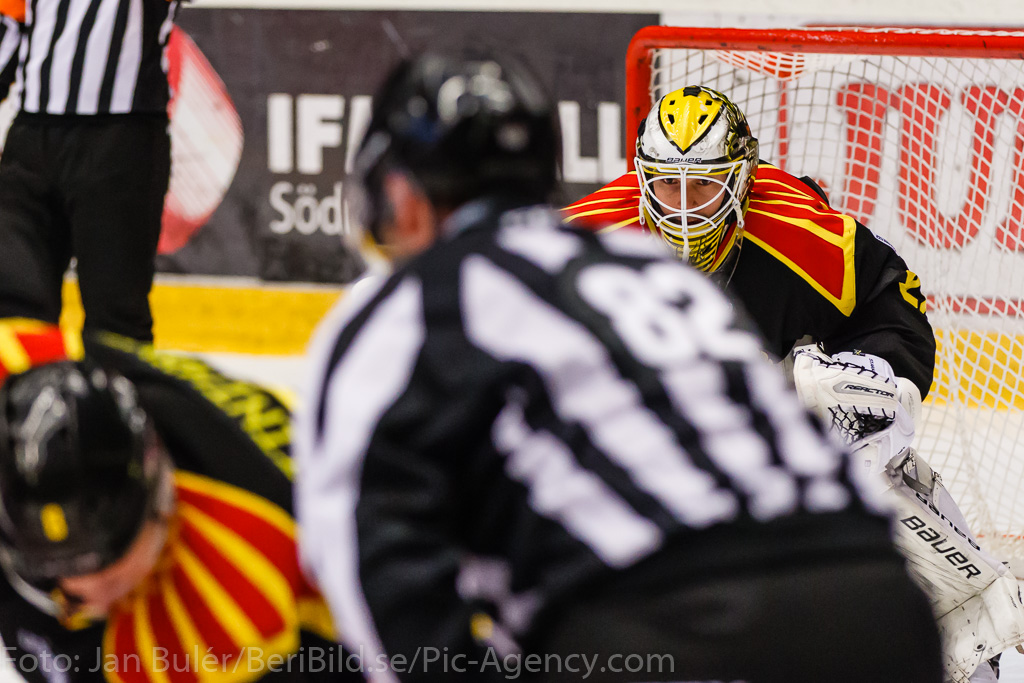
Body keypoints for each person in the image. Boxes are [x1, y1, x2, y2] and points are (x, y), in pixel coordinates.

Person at [295, 51, 942, 683]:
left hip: (656, 630)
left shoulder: (393, 313)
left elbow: (372, 573)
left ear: (402, 195)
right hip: (875, 601)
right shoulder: (655, 273)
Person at [562, 85, 1024, 683]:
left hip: (776, 411)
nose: (681, 206)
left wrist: (878, 387)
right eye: (667, 184)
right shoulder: (588, 240)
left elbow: (895, 308)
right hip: (642, 423)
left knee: (857, 443)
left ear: (742, 181)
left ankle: (967, 636)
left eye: (702, 184)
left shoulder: (802, 235)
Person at [0, 323, 364, 683]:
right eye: (52, 562)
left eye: (109, 558)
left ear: (160, 501)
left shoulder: (226, 591)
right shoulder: (17, 361)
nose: (82, 588)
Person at [0, 0, 178, 342]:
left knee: (115, 317)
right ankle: (24, 396)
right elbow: (11, 18)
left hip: (121, 141)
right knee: (13, 304)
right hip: (30, 139)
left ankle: (117, 395)